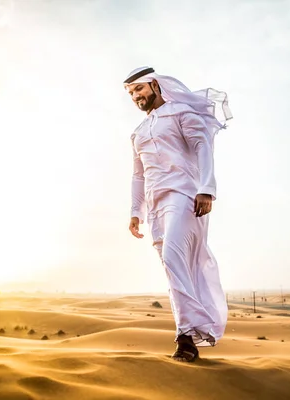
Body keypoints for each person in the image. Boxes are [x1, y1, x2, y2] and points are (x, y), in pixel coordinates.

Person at [123, 66, 232, 362]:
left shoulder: (182, 112)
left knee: (173, 257)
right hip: (156, 204)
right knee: (173, 268)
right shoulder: (138, 133)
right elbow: (138, 175)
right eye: (130, 93)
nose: (135, 96)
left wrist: (206, 188)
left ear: (155, 86)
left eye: (139, 89)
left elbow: (202, 146)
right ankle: (190, 330)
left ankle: (186, 337)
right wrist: (136, 212)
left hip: (185, 196)